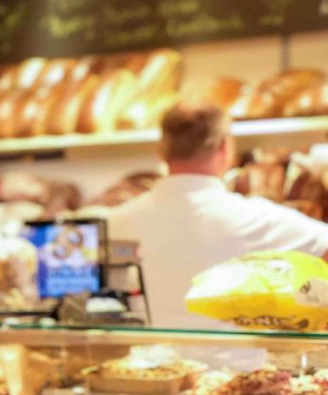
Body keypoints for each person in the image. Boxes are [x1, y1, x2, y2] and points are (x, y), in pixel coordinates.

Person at [109, 101, 328, 329]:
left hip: (142, 361)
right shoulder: (254, 218)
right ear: (225, 149)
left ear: (161, 150)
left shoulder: (115, 222)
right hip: (238, 363)